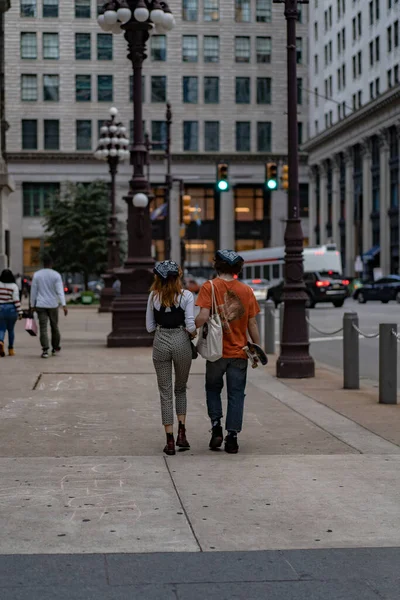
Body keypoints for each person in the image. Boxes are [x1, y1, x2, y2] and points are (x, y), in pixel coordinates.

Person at [195, 250, 261, 454]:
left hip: (216, 352)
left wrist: (189, 330)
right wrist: (256, 347)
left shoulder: (210, 287)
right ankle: (232, 436)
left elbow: (203, 316)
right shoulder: (247, 291)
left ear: (217, 266)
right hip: (239, 353)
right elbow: (252, 323)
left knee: (213, 389)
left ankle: (216, 427)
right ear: (237, 269)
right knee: (236, 394)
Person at [146, 260, 196, 456]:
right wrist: (190, 334)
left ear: (158, 278)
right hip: (181, 341)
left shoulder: (153, 297)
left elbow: (149, 327)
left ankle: (169, 440)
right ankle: (182, 433)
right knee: (180, 388)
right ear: (178, 277)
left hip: (161, 342)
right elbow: (191, 325)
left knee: (165, 392)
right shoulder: (186, 296)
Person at [30, 256, 68, 359]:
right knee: (54, 326)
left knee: (43, 328)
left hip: (40, 304)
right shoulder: (56, 275)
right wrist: (64, 305)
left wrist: (32, 305)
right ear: (52, 264)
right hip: (53, 304)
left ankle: (45, 350)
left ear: (43, 264)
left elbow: (33, 291)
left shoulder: (37, 275)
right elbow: (60, 291)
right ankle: (55, 347)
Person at [0, 269, 23, 357]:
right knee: (11, 330)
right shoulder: (14, 286)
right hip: (11, 309)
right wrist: (20, 311)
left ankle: (0, 341)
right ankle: (11, 349)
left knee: (1, 328)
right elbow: (16, 299)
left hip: (0, 309)